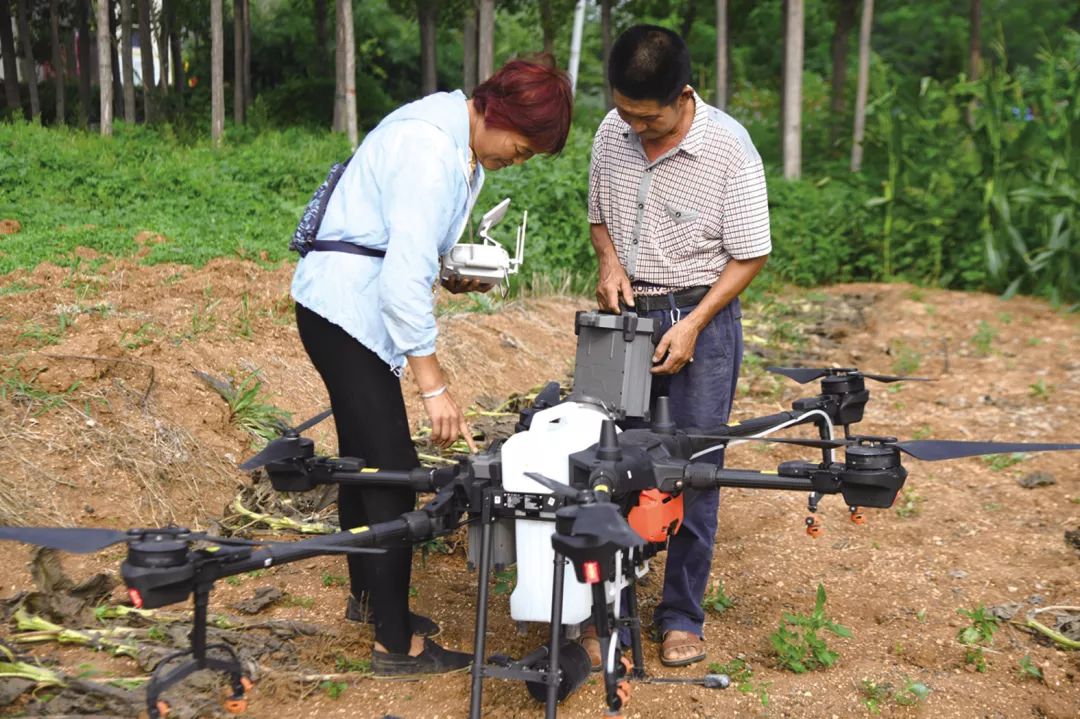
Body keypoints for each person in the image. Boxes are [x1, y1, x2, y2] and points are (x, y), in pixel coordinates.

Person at [291, 57, 573, 675]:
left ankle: (370, 602)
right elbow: (400, 283)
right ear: (496, 112)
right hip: (348, 313)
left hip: (344, 310)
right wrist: (433, 386)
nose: (515, 161)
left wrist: (452, 276)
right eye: (520, 148)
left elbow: (405, 247)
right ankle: (396, 645)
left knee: (365, 464)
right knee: (394, 474)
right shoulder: (431, 151)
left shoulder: (453, 137)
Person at [585, 25, 771, 668]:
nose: (636, 129)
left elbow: (751, 254)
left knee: (695, 469)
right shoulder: (613, 130)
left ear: (683, 95)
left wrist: (693, 323)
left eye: (649, 119)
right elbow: (598, 215)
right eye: (625, 113)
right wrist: (609, 262)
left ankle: (681, 614)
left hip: (702, 318)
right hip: (627, 313)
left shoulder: (730, 150)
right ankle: (604, 607)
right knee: (603, 461)